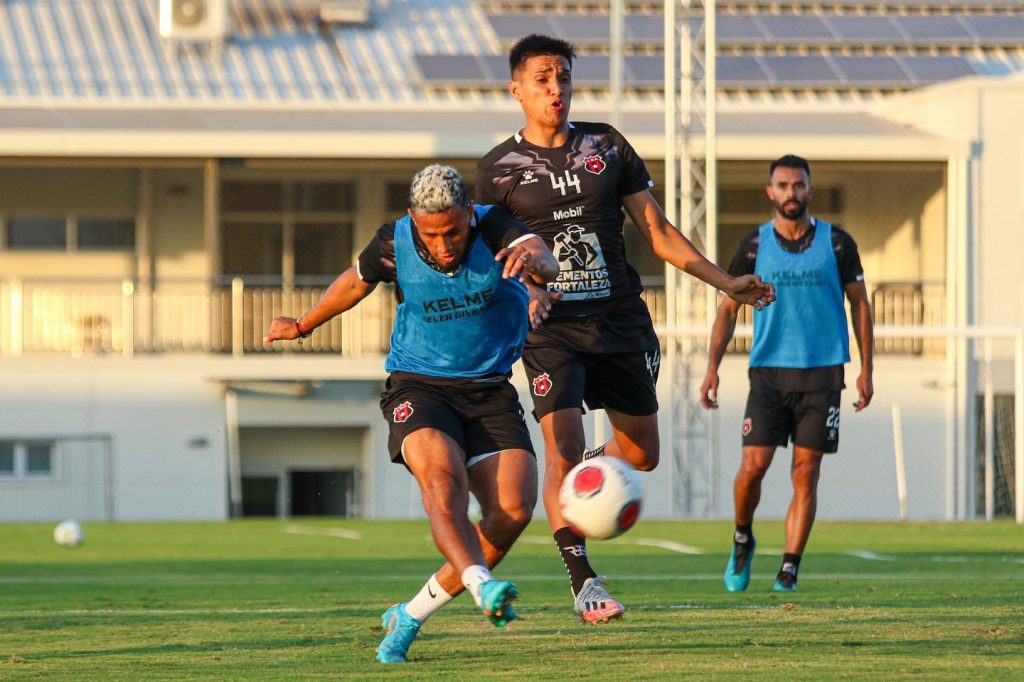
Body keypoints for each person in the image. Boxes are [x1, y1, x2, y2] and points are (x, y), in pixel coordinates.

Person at [475, 34, 776, 624]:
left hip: (620, 321)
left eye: (561, 76)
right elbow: (493, 261)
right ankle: (585, 582)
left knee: (642, 454)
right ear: (516, 90)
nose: (555, 88)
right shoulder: (497, 171)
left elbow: (658, 231)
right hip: (551, 329)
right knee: (560, 450)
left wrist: (726, 282)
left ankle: (590, 466)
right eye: (541, 78)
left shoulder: (607, 145)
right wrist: (529, 293)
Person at [264, 165, 559, 662]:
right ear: (412, 221)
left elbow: (545, 262)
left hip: (489, 390)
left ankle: (411, 614)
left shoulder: (497, 227)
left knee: (511, 512)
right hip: (419, 387)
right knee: (445, 487)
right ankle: (480, 582)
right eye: (431, 234)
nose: (444, 246)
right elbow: (355, 283)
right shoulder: (392, 243)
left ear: (469, 214)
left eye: (453, 231)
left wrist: (539, 261)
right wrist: (303, 324)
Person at [699, 154, 874, 593]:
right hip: (769, 374)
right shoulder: (754, 246)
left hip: (823, 373)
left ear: (809, 191)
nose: (791, 192)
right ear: (770, 192)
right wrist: (711, 369)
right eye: (783, 185)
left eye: (798, 185)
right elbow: (727, 310)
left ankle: (790, 568)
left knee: (805, 471)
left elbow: (861, 305)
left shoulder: (838, 244)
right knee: (752, 469)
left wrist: (867, 368)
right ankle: (742, 537)